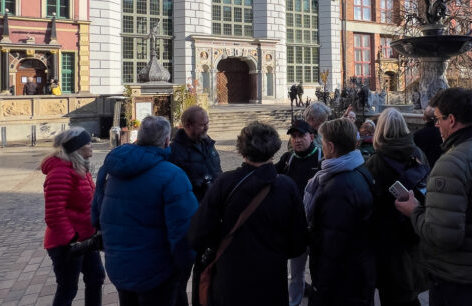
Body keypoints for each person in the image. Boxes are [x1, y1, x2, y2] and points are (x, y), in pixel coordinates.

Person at [394, 88, 472, 306]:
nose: (436, 124)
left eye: (438, 119)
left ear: (451, 120)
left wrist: (414, 211)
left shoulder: (453, 162)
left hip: (460, 281)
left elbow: (443, 236)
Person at [189, 122, 309, 306]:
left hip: (230, 278)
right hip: (270, 278)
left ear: (241, 149)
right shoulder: (286, 186)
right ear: (274, 149)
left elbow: (198, 233)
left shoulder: (224, 183)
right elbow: (298, 244)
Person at [92, 116, 198, 305]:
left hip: (119, 265)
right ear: (166, 140)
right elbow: (183, 230)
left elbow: (96, 214)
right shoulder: (172, 175)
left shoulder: (109, 169)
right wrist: (184, 264)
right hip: (157, 270)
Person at [304, 118, 377, 305]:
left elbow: (333, 245)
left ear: (330, 146)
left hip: (343, 282)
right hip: (358, 270)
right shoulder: (359, 169)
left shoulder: (338, 188)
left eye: (322, 141)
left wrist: (321, 289)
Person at [365, 109, 430, 306]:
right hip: (416, 228)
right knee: (411, 290)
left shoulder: (375, 163)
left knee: (393, 294)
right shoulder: (418, 154)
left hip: (389, 240)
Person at [41, 127, 105, 306]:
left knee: (96, 277)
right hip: (66, 243)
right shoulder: (60, 172)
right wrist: (72, 239)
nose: (91, 145)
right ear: (76, 148)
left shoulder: (80, 168)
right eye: (87, 142)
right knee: (68, 288)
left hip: (85, 239)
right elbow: (54, 214)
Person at [169, 105, 222, 306]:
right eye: (203, 124)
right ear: (188, 125)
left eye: (207, 123)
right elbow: (175, 187)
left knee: (205, 268)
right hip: (187, 218)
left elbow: (216, 170)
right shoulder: (174, 151)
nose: (207, 127)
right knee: (181, 272)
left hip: (210, 216)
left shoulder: (208, 143)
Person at [276, 120, 322, 306]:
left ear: (312, 136)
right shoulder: (288, 159)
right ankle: (294, 302)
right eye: (293, 136)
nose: (297, 140)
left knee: (319, 270)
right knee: (296, 271)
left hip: (318, 225)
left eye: (301, 136)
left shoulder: (322, 158)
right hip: (295, 225)